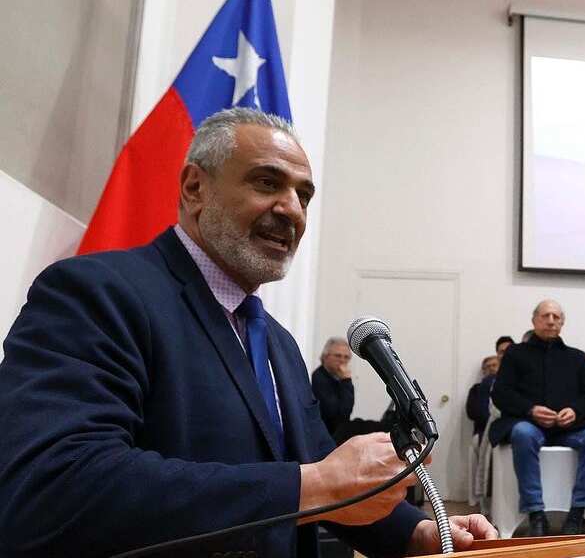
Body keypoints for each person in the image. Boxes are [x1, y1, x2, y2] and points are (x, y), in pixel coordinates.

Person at [0, 108, 495, 557]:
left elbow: (318, 464)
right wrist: (312, 487)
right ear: (194, 189)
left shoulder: (276, 341)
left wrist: (416, 533)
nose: (293, 211)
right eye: (267, 183)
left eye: (304, 195)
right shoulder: (97, 294)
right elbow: (52, 486)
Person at [489, 300, 585, 537]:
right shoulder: (515, 354)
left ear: (562, 322)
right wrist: (530, 410)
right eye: (545, 316)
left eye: (556, 316)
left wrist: (575, 410)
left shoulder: (577, 358)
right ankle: (536, 514)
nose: (551, 320)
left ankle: (578, 513)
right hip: (530, 424)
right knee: (522, 433)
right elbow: (501, 394)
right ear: (534, 321)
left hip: (570, 427)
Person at [311, 337, 355, 437]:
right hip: (324, 436)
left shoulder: (340, 378)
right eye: (338, 356)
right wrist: (346, 381)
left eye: (346, 357)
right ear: (325, 356)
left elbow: (348, 410)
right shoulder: (319, 377)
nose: (342, 360)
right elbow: (339, 414)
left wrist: (346, 381)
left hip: (338, 434)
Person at [466, 355, 500, 437]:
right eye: (488, 367)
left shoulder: (509, 387)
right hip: (482, 430)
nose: (491, 368)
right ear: (484, 371)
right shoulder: (476, 389)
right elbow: (471, 413)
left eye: (494, 365)